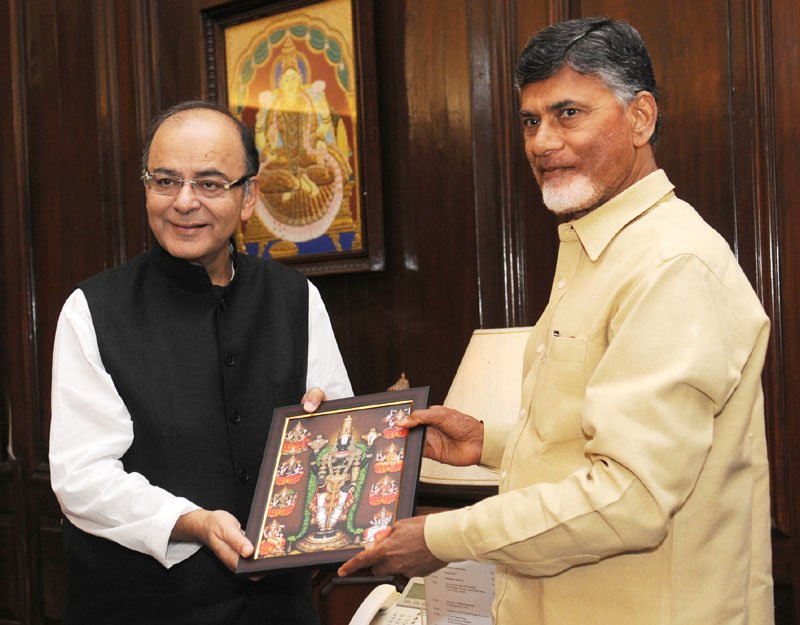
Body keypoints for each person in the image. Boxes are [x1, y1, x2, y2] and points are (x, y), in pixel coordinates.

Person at [339, 17, 774, 625]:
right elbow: (597, 436)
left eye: (569, 113)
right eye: (530, 120)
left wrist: (440, 538)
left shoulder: (672, 265)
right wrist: (489, 442)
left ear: (641, 117)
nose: (542, 142)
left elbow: (630, 497)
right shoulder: (596, 248)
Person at [49, 100, 352, 625]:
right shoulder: (91, 309)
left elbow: (341, 429)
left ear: (249, 196)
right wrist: (190, 521)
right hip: (139, 608)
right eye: (165, 181)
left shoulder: (296, 298)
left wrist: (330, 429)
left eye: (210, 184)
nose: (184, 202)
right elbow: (82, 476)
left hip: (280, 609)